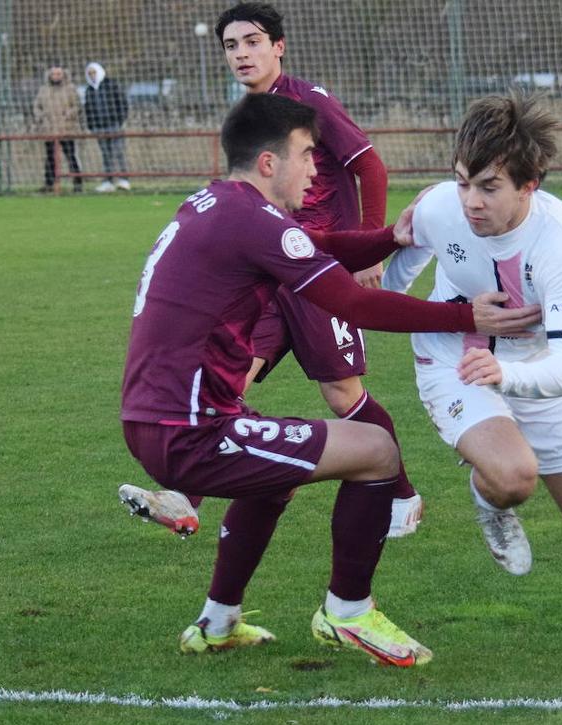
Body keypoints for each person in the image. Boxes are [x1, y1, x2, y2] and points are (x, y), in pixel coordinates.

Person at [120, 92, 541, 663]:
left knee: (275, 478)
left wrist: (394, 237)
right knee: (375, 449)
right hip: (190, 428)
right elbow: (353, 304)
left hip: (163, 416)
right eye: (306, 154)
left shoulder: (217, 206)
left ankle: (217, 622)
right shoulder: (252, 220)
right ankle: (348, 612)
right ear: (270, 163)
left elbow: (320, 246)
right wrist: (467, 315)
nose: (316, 168)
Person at [372, 91, 562, 665]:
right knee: (514, 476)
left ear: (530, 184)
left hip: (533, 367)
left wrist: (508, 370)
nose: (471, 201)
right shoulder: (437, 209)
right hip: (456, 360)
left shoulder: (557, 241)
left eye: (489, 186)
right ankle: (490, 497)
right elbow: (384, 292)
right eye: (461, 182)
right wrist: (375, 262)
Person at [120, 2, 422, 539]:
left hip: (313, 271)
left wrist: (368, 248)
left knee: (341, 393)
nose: (242, 53)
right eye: (232, 46)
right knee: (232, 374)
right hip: (267, 272)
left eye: (253, 41)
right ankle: (183, 498)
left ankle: (402, 495)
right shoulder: (252, 116)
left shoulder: (307, 102)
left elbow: (369, 165)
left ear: (278, 46)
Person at [32, 66, 83, 193]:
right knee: (50, 158)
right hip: (49, 129)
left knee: (71, 156)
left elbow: (77, 106)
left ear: (63, 75)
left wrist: (68, 115)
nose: (56, 76)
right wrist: (41, 117)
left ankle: (77, 184)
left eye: (58, 74)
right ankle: (49, 184)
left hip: (66, 129)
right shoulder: (44, 90)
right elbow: (36, 106)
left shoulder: (70, 89)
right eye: (53, 74)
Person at [83, 62, 130, 192]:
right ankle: (108, 181)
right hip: (99, 127)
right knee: (106, 155)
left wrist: (120, 120)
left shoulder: (111, 85)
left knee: (118, 152)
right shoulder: (89, 90)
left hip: (114, 125)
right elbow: (87, 109)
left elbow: (122, 103)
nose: (92, 75)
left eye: (94, 72)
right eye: (90, 73)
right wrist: (92, 126)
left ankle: (123, 180)